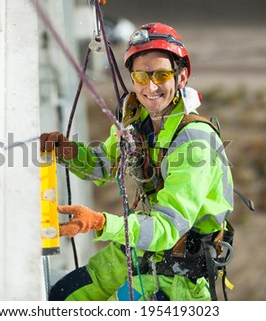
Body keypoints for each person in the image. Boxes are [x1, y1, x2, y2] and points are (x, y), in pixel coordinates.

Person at [40, 22, 234, 301]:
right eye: (141, 76)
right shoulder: (137, 118)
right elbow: (104, 165)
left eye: (162, 74)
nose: (150, 86)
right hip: (143, 246)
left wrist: (100, 223)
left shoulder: (194, 140)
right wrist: (66, 151)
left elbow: (167, 227)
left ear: (181, 78)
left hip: (181, 274)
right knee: (63, 295)